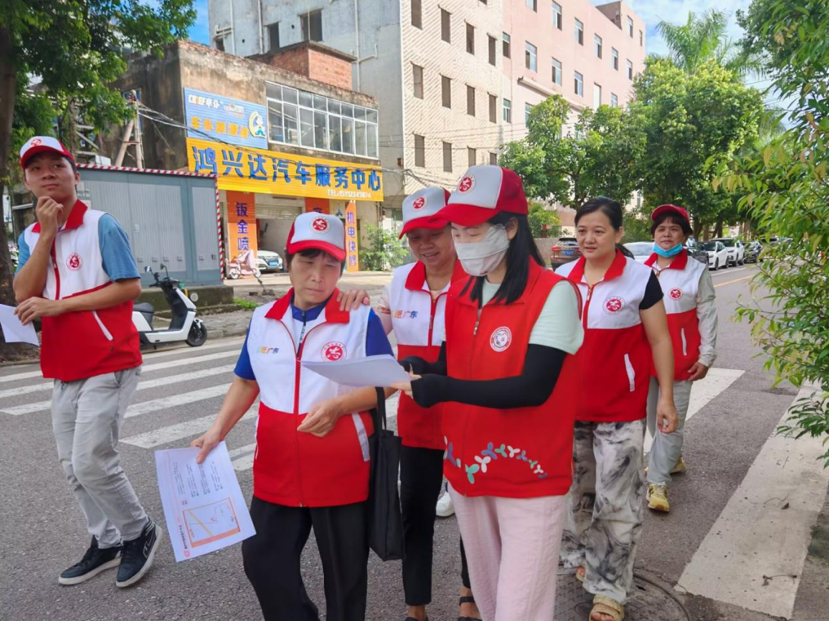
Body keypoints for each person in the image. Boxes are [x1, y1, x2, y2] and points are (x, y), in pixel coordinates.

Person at [394, 165, 584, 621]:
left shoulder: (554, 294)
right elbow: (451, 362)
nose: (461, 242)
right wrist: (420, 369)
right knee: (492, 599)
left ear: (511, 227)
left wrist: (442, 388)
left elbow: (533, 387)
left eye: (473, 230)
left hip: (529, 477)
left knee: (520, 609)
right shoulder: (464, 294)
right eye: (456, 230)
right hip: (469, 473)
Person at [192, 212, 393, 621]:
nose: (318, 275)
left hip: (341, 469)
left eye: (330, 264)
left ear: (341, 268)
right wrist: (216, 431)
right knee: (262, 558)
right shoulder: (263, 320)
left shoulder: (359, 318)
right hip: (277, 467)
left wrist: (340, 406)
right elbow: (247, 381)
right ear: (288, 261)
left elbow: (388, 383)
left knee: (346, 576)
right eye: (307, 261)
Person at [13, 136, 162, 588]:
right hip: (63, 363)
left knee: (92, 459)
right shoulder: (29, 235)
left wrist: (59, 307)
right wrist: (46, 237)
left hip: (108, 357)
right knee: (70, 465)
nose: (47, 174)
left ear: (74, 173)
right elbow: (24, 292)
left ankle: (139, 532)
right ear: (26, 182)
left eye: (56, 164)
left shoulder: (101, 225)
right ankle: (107, 539)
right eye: (36, 168)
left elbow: (129, 287)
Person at [556, 197, 679, 621]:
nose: (588, 239)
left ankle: (609, 588)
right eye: (582, 230)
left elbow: (660, 340)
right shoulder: (560, 279)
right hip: (568, 411)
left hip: (621, 412)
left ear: (619, 234)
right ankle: (589, 557)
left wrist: (665, 397)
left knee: (617, 500)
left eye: (599, 231)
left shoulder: (640, 279)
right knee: (575, 494)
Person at [376, 187, 478, 621]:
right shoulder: (399, 282)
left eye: (434, 232)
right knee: (414, 512)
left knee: (473, 513)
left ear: (454, 229)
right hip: (417, 422)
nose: (425, 245)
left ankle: (470, 594)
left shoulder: (480, 279)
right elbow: (368, 336)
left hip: (471, 417)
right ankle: (415, 605)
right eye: (415, 236)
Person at [643, 204, 717, 512]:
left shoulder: (696, 271)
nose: (666, 233)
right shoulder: (640, 269)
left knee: (670, 422)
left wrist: (707, 354)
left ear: (685, 236)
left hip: (680, 361)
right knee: (651, 419)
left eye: (674, 228)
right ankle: (672, 460)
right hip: (643, 360)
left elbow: (707, 313)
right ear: (654, 234)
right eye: (661, 228)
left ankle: (658, 484)